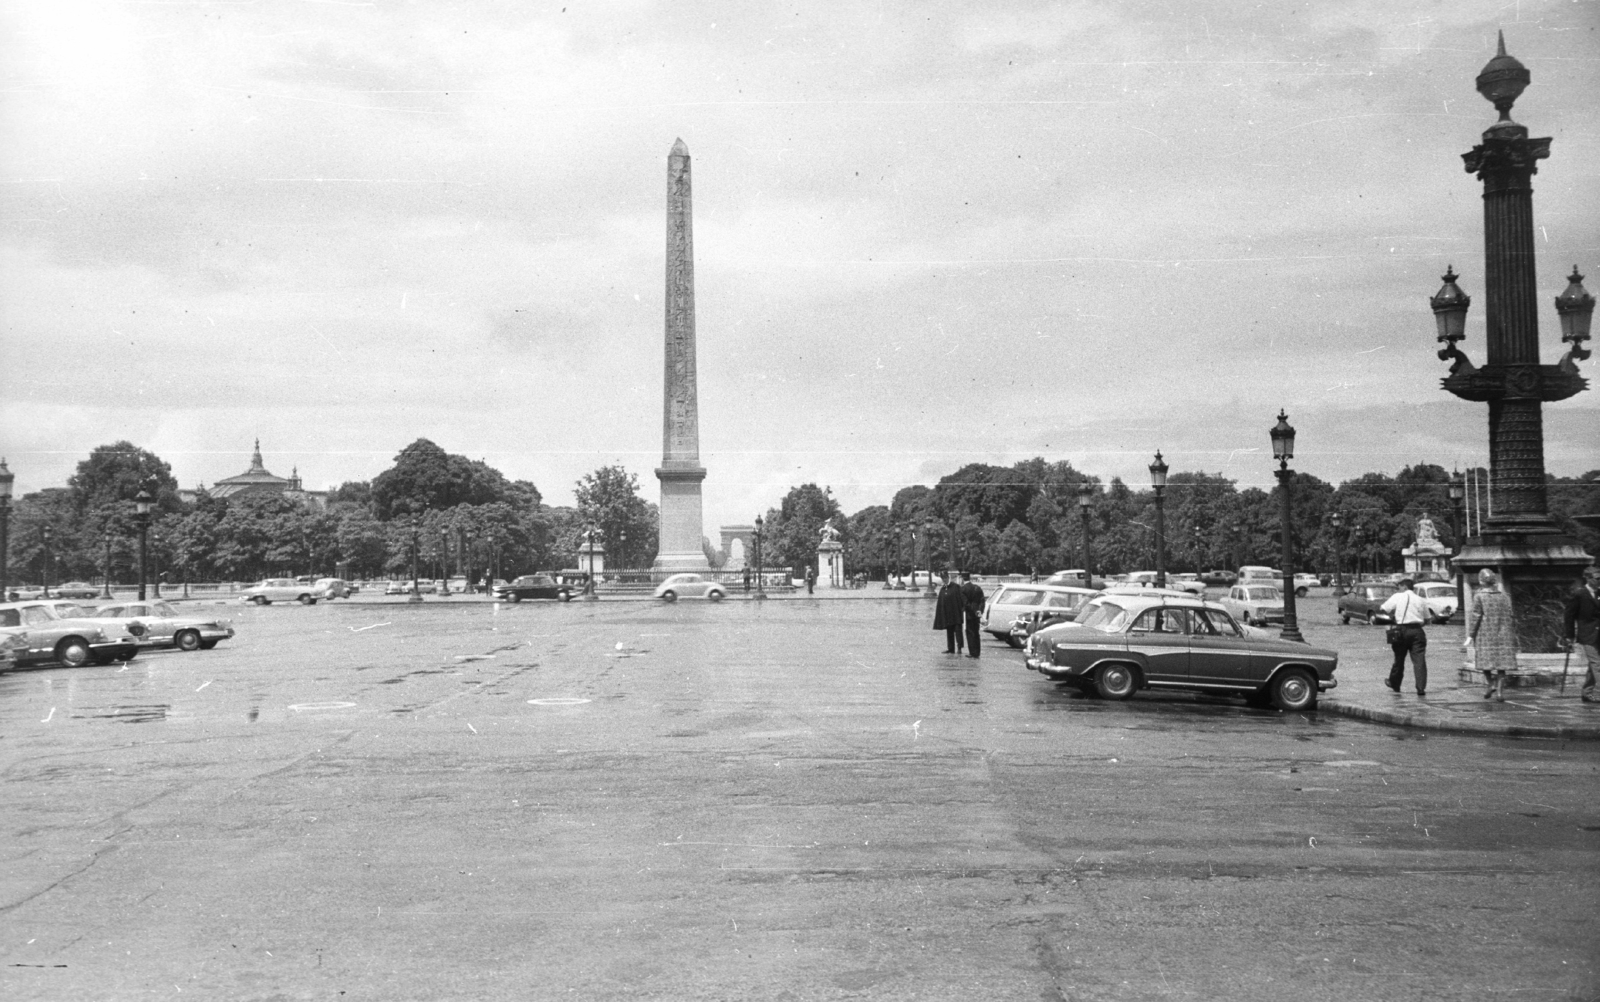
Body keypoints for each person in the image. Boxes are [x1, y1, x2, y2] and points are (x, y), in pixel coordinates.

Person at [1467, 568, 1517, 701]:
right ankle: (1500, 692)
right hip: (1503, 633)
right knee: (1501, 664)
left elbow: (1476, 616)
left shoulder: (1479, 596)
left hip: (1486, 633)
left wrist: (1470, 634)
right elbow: (1510, 614)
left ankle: (1490, 683)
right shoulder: (1504, 595)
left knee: (1485, 661)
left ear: (1481, 581)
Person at [1379, 578, 1429, 695]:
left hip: (1401, 630)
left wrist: (1393, 617)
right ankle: (1421, 687)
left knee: (1399, 658)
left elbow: (1383, 608)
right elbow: (1427, 618)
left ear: (1405, 587)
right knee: (1419, 660)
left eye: (1400, 587)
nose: (1398, 589)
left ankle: (1395, 683)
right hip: (1417, 631)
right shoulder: (1421, 599)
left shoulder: (1398, 596)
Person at [1563, 566, 1600, 703]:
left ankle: (1587, 692)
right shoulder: (1579, 594)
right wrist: (1569, 635)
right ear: (1588, 578)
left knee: (1593, 665)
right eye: (1597, 578)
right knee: (1597, 664)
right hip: (1587, 635)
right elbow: (1569, 616)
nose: (1599, 581)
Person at [933, 572, 964, 654]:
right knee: (949, 632)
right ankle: (951, 648)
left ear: (948, 577)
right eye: (943, 578)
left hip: (956, 614)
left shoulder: (956, 587)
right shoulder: (943, 589)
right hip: (948, 615)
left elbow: (961, 599)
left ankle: (959, 648)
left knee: (958, 632)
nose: (944, 580)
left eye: (945, 578)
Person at [960, 571, 985, 659]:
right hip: (977, 613)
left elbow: (966, 603)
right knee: (976, 633)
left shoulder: (963, 589)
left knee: (970, 633)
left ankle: (972, 652)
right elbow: (982, 600)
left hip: (969, 614)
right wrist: (979, 610)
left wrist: (973, 610)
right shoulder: (977, 588)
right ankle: (977, 652)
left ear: (962, 578)